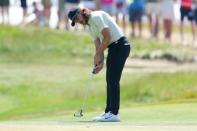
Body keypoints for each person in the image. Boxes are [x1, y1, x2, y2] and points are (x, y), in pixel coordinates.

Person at [68, 7, 131, 122]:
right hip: (114, 48)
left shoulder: (96, 17)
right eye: (75, 21)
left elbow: (107, 37)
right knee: (109, 80)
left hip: (120, 45)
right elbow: (98, 45)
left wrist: (97, 54)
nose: (78, 21)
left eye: (76, 17)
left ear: (82, 12)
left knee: (113, 80)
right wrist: (99, 62)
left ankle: (114, 113)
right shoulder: (90, 26)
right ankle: (109, 111)